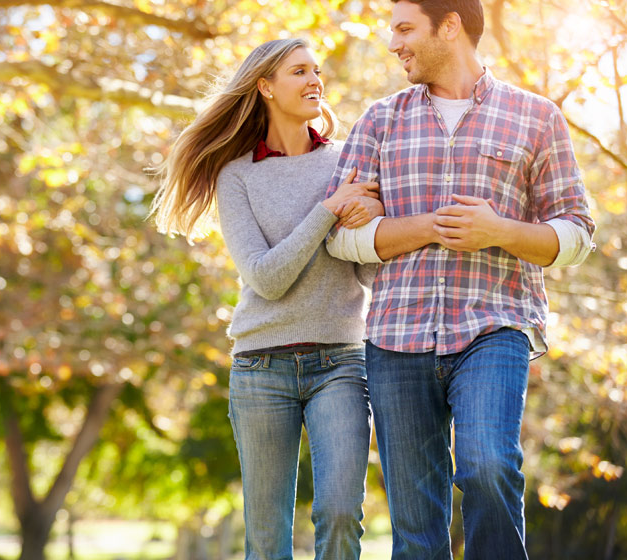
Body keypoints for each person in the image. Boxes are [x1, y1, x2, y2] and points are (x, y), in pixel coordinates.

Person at [325, 1, 595, 558]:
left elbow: (576, 234)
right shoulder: (379, 121)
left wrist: (499, 231)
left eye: (405, 29)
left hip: (494, 325)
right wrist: (423, 227)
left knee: (488, 463)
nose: (394, 43)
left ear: (449, 25)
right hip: (396, 337)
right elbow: (341, 239)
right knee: (416, 523)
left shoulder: (536, 117)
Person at [151, 38, 383, 559]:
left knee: (342, 512)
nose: (314, 81)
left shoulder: (347, 161)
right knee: (266, 536)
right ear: (265, 86)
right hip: (261, 367)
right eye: (299, 71)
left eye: (316, 70)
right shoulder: (237, 176)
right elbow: (265, 278)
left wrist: (369, 220)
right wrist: (329, 211)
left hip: (341, 362)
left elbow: (368, 270)